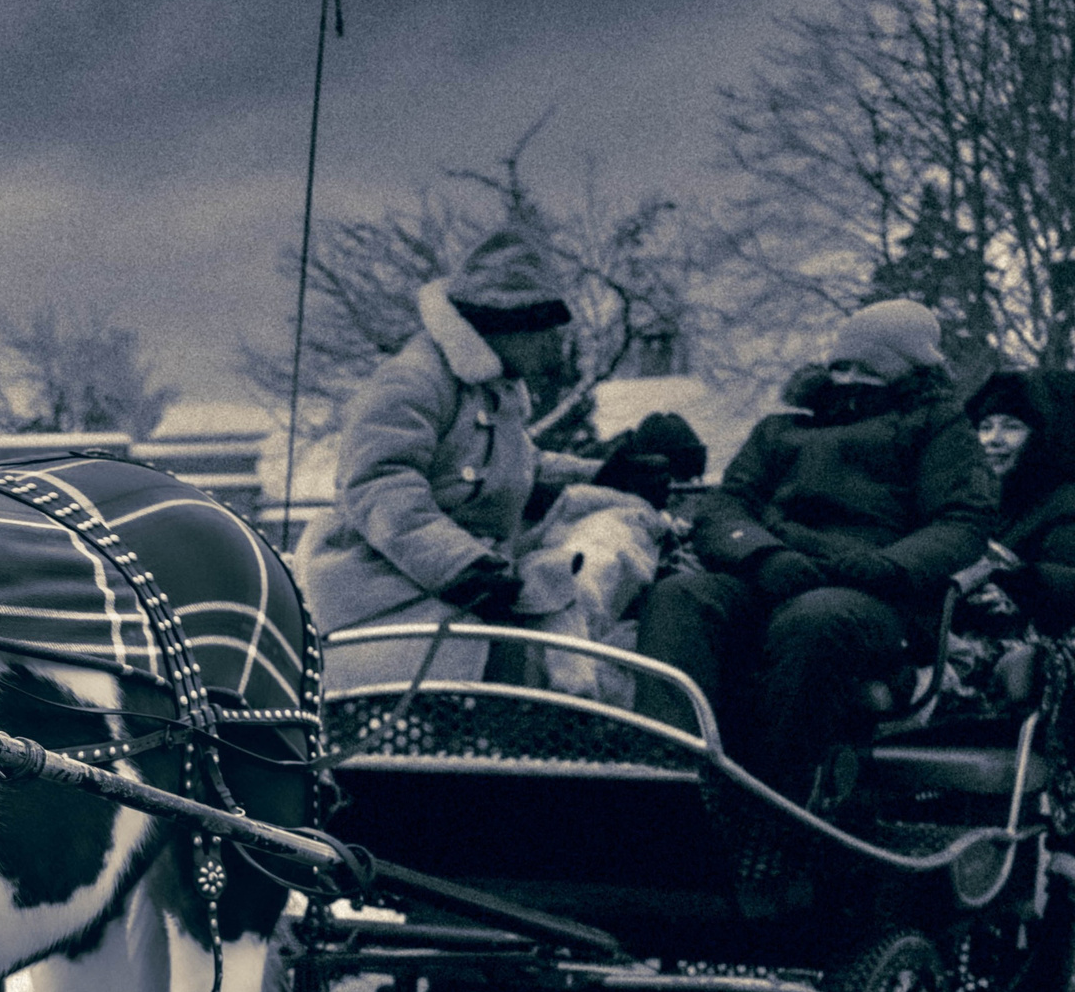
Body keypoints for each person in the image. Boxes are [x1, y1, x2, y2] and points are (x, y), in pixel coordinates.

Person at [633, 298, 995, 806]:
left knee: (815, 621)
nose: (848, 378)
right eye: (840, 365)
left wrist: (888, 566)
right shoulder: (784, 429)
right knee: (681, 597)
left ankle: (779, 799)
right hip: (773, 571)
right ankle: (663, 779)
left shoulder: (937, 428)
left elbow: (962, 520)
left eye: (868, 368)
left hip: (873, 593)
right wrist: (761, 556)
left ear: (907, 369)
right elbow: (725, 506)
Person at [301, 230, 611, 687]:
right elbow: (377, 484)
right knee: (506, 668)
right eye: (544, 333)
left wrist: (606, 473)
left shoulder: (494, 388)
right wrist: (459, 565)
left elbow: (521, 464)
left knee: (569, 598)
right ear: (505, 325)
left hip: (473, 580)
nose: (552, 348)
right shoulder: (414, 381)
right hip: (388, 586)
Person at [962, 367, 1075, 631]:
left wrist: (1017, 592)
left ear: (1041, 437)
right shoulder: (971, 499)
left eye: (1012, 427)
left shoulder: (1065, 505)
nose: (992, 440)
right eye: (985, 427)